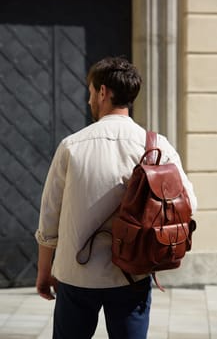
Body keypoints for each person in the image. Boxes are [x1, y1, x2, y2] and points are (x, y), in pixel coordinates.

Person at [35, 56, 197, 339]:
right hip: (133, 272)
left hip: (76, 274)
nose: (88, 101)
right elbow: (189, 205)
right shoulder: (157, 145)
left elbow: (50, 216)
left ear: (102, 92)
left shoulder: (72, 146)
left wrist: (44, 270)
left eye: (90, 92)